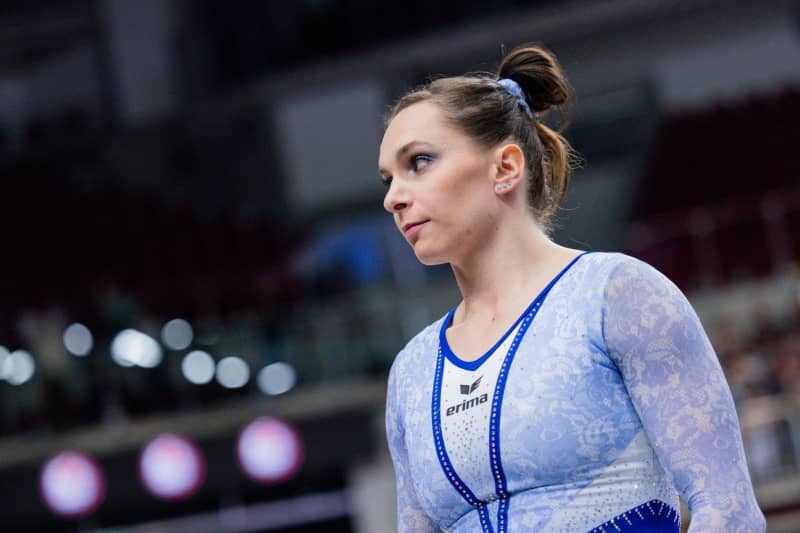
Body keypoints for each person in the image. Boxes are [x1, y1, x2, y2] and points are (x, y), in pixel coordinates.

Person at [379, 44, 766, 532]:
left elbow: (729, 513)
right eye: (388, 179)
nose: (394, 197)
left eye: (419, 162)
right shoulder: (411, 373)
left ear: (505, 168)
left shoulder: (617, 297)